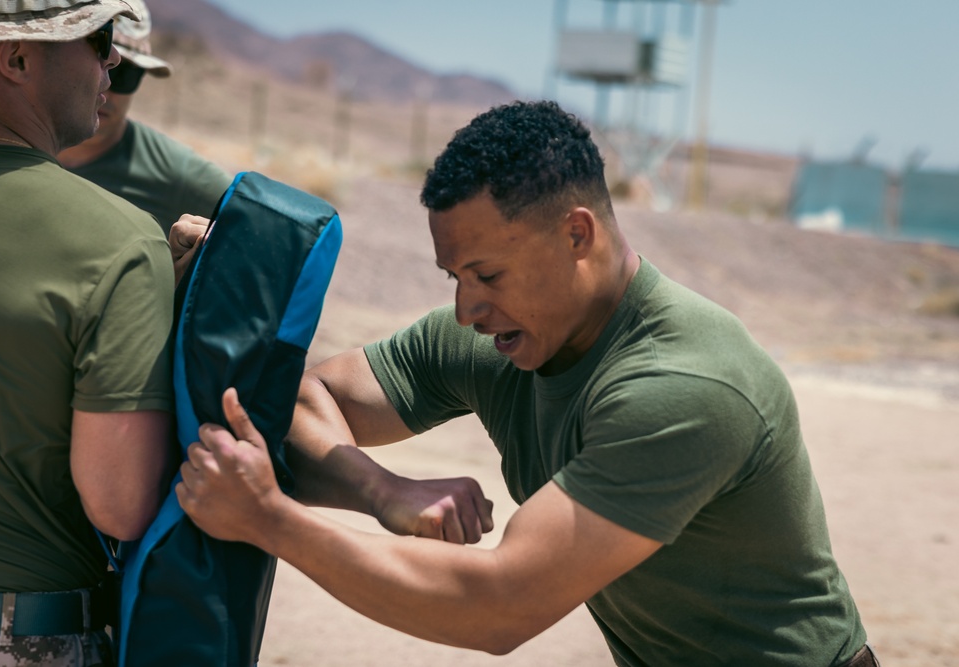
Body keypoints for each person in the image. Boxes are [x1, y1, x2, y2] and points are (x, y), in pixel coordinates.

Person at [176, 101, 880, 667]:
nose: (466, 310)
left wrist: (270, 519)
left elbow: (499, 606)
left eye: (487, 274)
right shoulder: (503, 333)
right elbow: (303, 400)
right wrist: (382, 489)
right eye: (455, 278)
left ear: (578, 235)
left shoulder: (686, 384)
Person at [0, 2, 176, 665]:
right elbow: (120, 503)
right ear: (17, 57)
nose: (112, 58)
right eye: (100, 36)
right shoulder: (116, 241)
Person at [57, 0, 232, 236]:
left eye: (124, 73)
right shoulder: (13, 142)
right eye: (94, 62)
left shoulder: (178, 174)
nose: (105, 85)